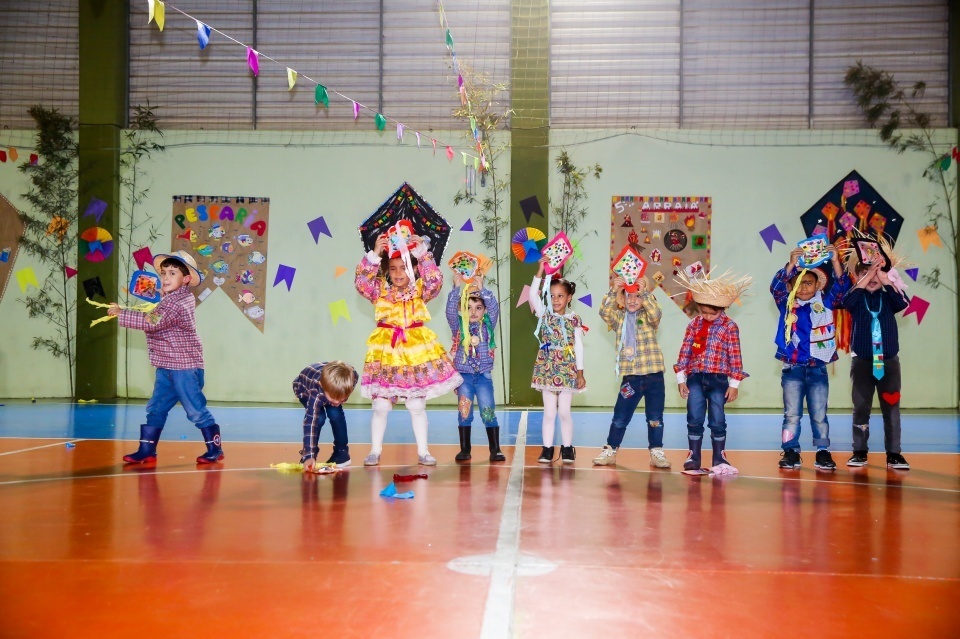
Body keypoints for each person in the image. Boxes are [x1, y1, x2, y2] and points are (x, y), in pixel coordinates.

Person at [355, 232, 462, 466]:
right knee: (381, 405)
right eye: (392, 268)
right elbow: (362, 283)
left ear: (412, 269)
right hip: (387, 352)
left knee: (416, 404)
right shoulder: (380, 291)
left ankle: (423, 452)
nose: (398, 273)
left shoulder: (420, 290)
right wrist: (375, 254)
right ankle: (375, 450)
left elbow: (435, 281)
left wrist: (422, 253)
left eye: (403, 267)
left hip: (415, 352)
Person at [109, 250, 223, 465]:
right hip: (166, 365)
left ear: (186, 279)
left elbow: (153, 322)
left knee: (195, 411)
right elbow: (160, 305)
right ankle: (146, 450)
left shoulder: (177, 303)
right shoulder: (173, 299)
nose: (166, 278)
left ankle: (215, 449)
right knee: (156, 408)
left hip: (184, 368)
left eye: (172, 273)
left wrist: (121, 313)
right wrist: (158, 293)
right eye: (163, 273)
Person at [771, 243, 849, 470]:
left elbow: (842, 288)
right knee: (791, 414)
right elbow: (775, 288)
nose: (804, 287)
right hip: (792, 369)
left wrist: (835, 261)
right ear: (792, 286)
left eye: (808, 282)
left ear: (817, 285)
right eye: (799, 282)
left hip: (817, 369)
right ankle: (790, 451)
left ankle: (822, 451)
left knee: (819, 414)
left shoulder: (825, 303)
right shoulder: (786, 304)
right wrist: (791, 265)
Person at [840, 247, 911, 470]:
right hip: (862, 363)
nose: (871, 278)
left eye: (875, 274)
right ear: (856, 276)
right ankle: (859, 452)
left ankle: (894, 454)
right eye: (864, 273)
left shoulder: (889, 297)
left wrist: (885, 278)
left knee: (892, 409)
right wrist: (869, 275)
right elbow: (847, 300)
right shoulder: (856, 298)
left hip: (889, 363)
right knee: (861, 408)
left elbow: (903, 302)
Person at [674, 270, 751, 472]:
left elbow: (735, 356)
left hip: (718, 380)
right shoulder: (694, 325)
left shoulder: (730, 327)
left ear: (722, 309)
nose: (708, 316)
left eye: (712, 313)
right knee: (694, 417)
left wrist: (734, 384)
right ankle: (693, 455)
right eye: (703, 312)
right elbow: (685, 352)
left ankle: (719, 456)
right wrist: (681, 379)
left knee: (717, 419)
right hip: (695, 378)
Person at [593, 275, 670, 469]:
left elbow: (656, 314)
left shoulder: (649, 317)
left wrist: (645, 293)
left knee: (655, 418)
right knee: (620, 416)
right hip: (631, 378)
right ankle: (611, 450)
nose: (633, 300)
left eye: (637, 296)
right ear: (623, 298)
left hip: (654, 376)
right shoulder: (619, 318)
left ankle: (656, 452)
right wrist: (613, 290)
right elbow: (604, 312)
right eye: (629, 296)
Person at [530, 258, 587, 464]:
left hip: (567, 369)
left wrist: (580, 372)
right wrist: (540, 271)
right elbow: (532, 296)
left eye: (560, 296)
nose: (555, 300)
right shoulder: (544, 314)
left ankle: (567, 448)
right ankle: (547, 449)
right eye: (552, 295)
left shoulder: (574, 319)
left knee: (564, 412)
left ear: (569, 297)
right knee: (549, 412)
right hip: (546, 368)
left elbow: (578, 346)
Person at [445, 272, 505, 462]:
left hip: (483, 378)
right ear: (461, 309)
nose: (473, 312)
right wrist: (456, 289)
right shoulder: (458, 327)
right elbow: (450, 312)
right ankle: (465, 449)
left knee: (488, 412)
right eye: (468, 307)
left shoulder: (488, 326)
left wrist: (482, 289)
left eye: (478, 308)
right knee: (464, 413)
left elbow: (494, 308)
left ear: (484, 310)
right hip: (464, 378)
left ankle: (495, 449)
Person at [292, 361, 359, 470]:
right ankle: (310, 455)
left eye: (341, 399)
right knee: (319, 418)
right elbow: (310, 423)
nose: (336, 402)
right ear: (323, 386)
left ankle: (342, 452)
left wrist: (339, 398)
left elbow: (338, 397)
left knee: (335, 412)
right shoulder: (316, 392)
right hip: (304, 388)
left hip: (326, 387)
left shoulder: (352, 377)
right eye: (333, 399)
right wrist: (309, 455)